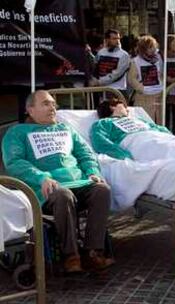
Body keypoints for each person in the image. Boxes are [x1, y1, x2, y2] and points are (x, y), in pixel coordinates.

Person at [1, 91, 113, 273]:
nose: (53, 108)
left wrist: (92, 172)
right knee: (63, 195)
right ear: (30, 109)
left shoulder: (66, 129)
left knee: (102, 190)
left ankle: (92, 252)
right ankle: (71, 256)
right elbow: (14, 162)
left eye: (54, 104)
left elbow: (85, 154)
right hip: (44, 190)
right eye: (46, 104)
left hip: (79, 183)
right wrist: (41, 177)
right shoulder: (17, 133)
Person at [90, 99, 175, 161]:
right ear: (113, 106)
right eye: (124, 107)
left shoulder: (137, 119)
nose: (128, 110)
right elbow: (100, 142)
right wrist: (123, 155)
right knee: (169, 149)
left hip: (157, 137)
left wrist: (171, 137)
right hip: (139, 142)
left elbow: (157, 128)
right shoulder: (103, 123)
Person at [128, 35, 163, 124]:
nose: (153, 49)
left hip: (158, 94)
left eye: (154, 46)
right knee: (145, 122)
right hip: (144, 96)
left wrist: (162, 84)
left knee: (159, 121)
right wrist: (142, 88)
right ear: (143, 48)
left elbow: (161, 73)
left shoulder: (158, 59)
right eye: (150, 47)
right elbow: (131, 79)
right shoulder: (135, 61)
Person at [88, 29, 130, 97]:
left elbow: (116, 74)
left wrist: (99, 82)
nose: (117, 41)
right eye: (114, 38)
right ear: (107, 40)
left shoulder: (124, 55)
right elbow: (95, 66)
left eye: (118, 38)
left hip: (117, 90)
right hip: (102, 90)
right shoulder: (101, 52)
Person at [166, 35, 175, 133]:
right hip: (167, 87)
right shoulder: (163, 55)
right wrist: (167, 78)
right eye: (173, 42)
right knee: (166, 112)